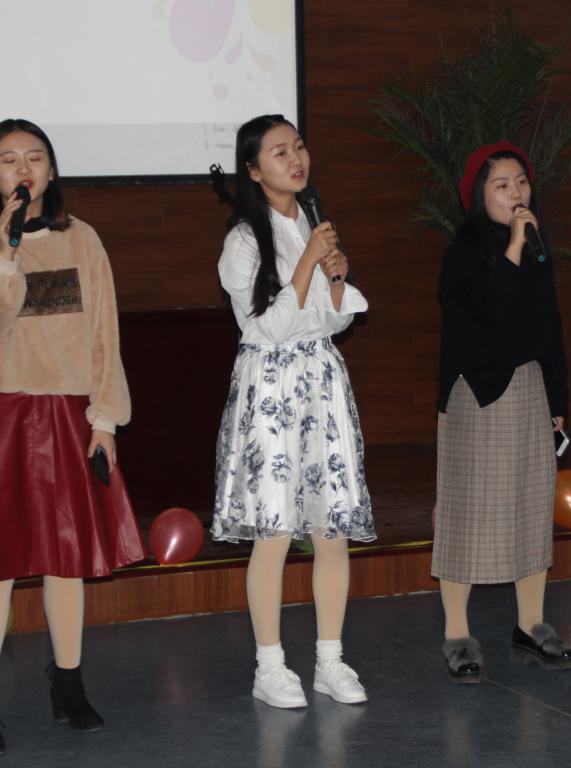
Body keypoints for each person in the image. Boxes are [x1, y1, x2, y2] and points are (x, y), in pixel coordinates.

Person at [0, 118, 145, 755]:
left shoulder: (81, 239)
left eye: (35, 157)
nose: (23, 168)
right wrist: (5, 252)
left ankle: (69, 683)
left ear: (51, 171)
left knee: (67, 560)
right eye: (9, 159)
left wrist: (104, 421)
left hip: (65, 414)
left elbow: (104, 334)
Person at [211, 114, 375, 709]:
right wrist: (308, 259)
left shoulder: (312, 220)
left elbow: (331, 319)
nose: (295, 158)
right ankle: (270, 666)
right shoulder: (242, 242)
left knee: (331, 529)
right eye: (279, 152)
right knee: (275, 532)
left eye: (299, 146)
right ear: (253, 170)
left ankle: (330, 660)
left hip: (321, 379)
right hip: (272, 385)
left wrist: (338, 279)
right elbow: (270, 327)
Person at [433, 141, 571, 682]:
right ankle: (457, 634)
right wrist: (515, 245)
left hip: (529, 389)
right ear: (479, 195)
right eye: (502, 184)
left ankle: (531, 623)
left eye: (521, 182)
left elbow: (549, 326)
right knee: (469, 511)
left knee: (531, 505)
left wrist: (558, 403)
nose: (516, 193)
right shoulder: (462, 254)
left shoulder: (536, 248)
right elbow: (492, 308)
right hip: (478, 393)